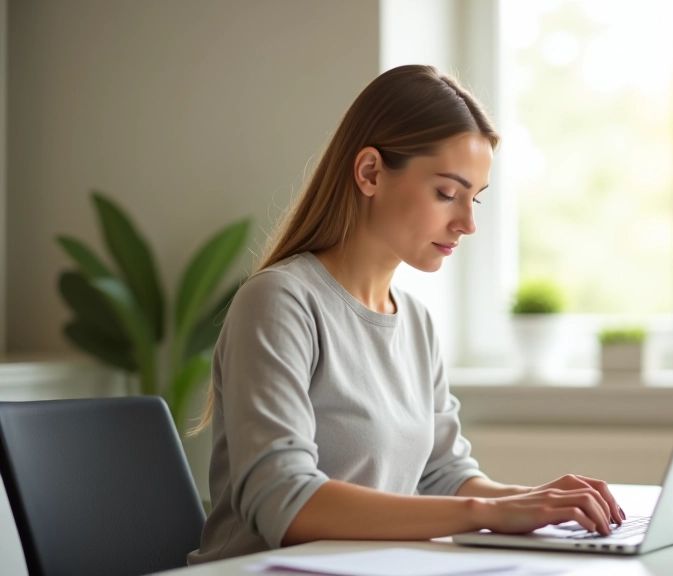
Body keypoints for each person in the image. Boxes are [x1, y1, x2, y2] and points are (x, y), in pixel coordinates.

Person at [185, 65, 623, 565]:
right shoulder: (279, 302)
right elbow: (285, 504)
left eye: (475, 198)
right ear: (370, 172)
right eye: (446, 193)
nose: (468, 223)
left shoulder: (415, 321)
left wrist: (539, 502)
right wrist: (489, 512)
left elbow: (443, 476)